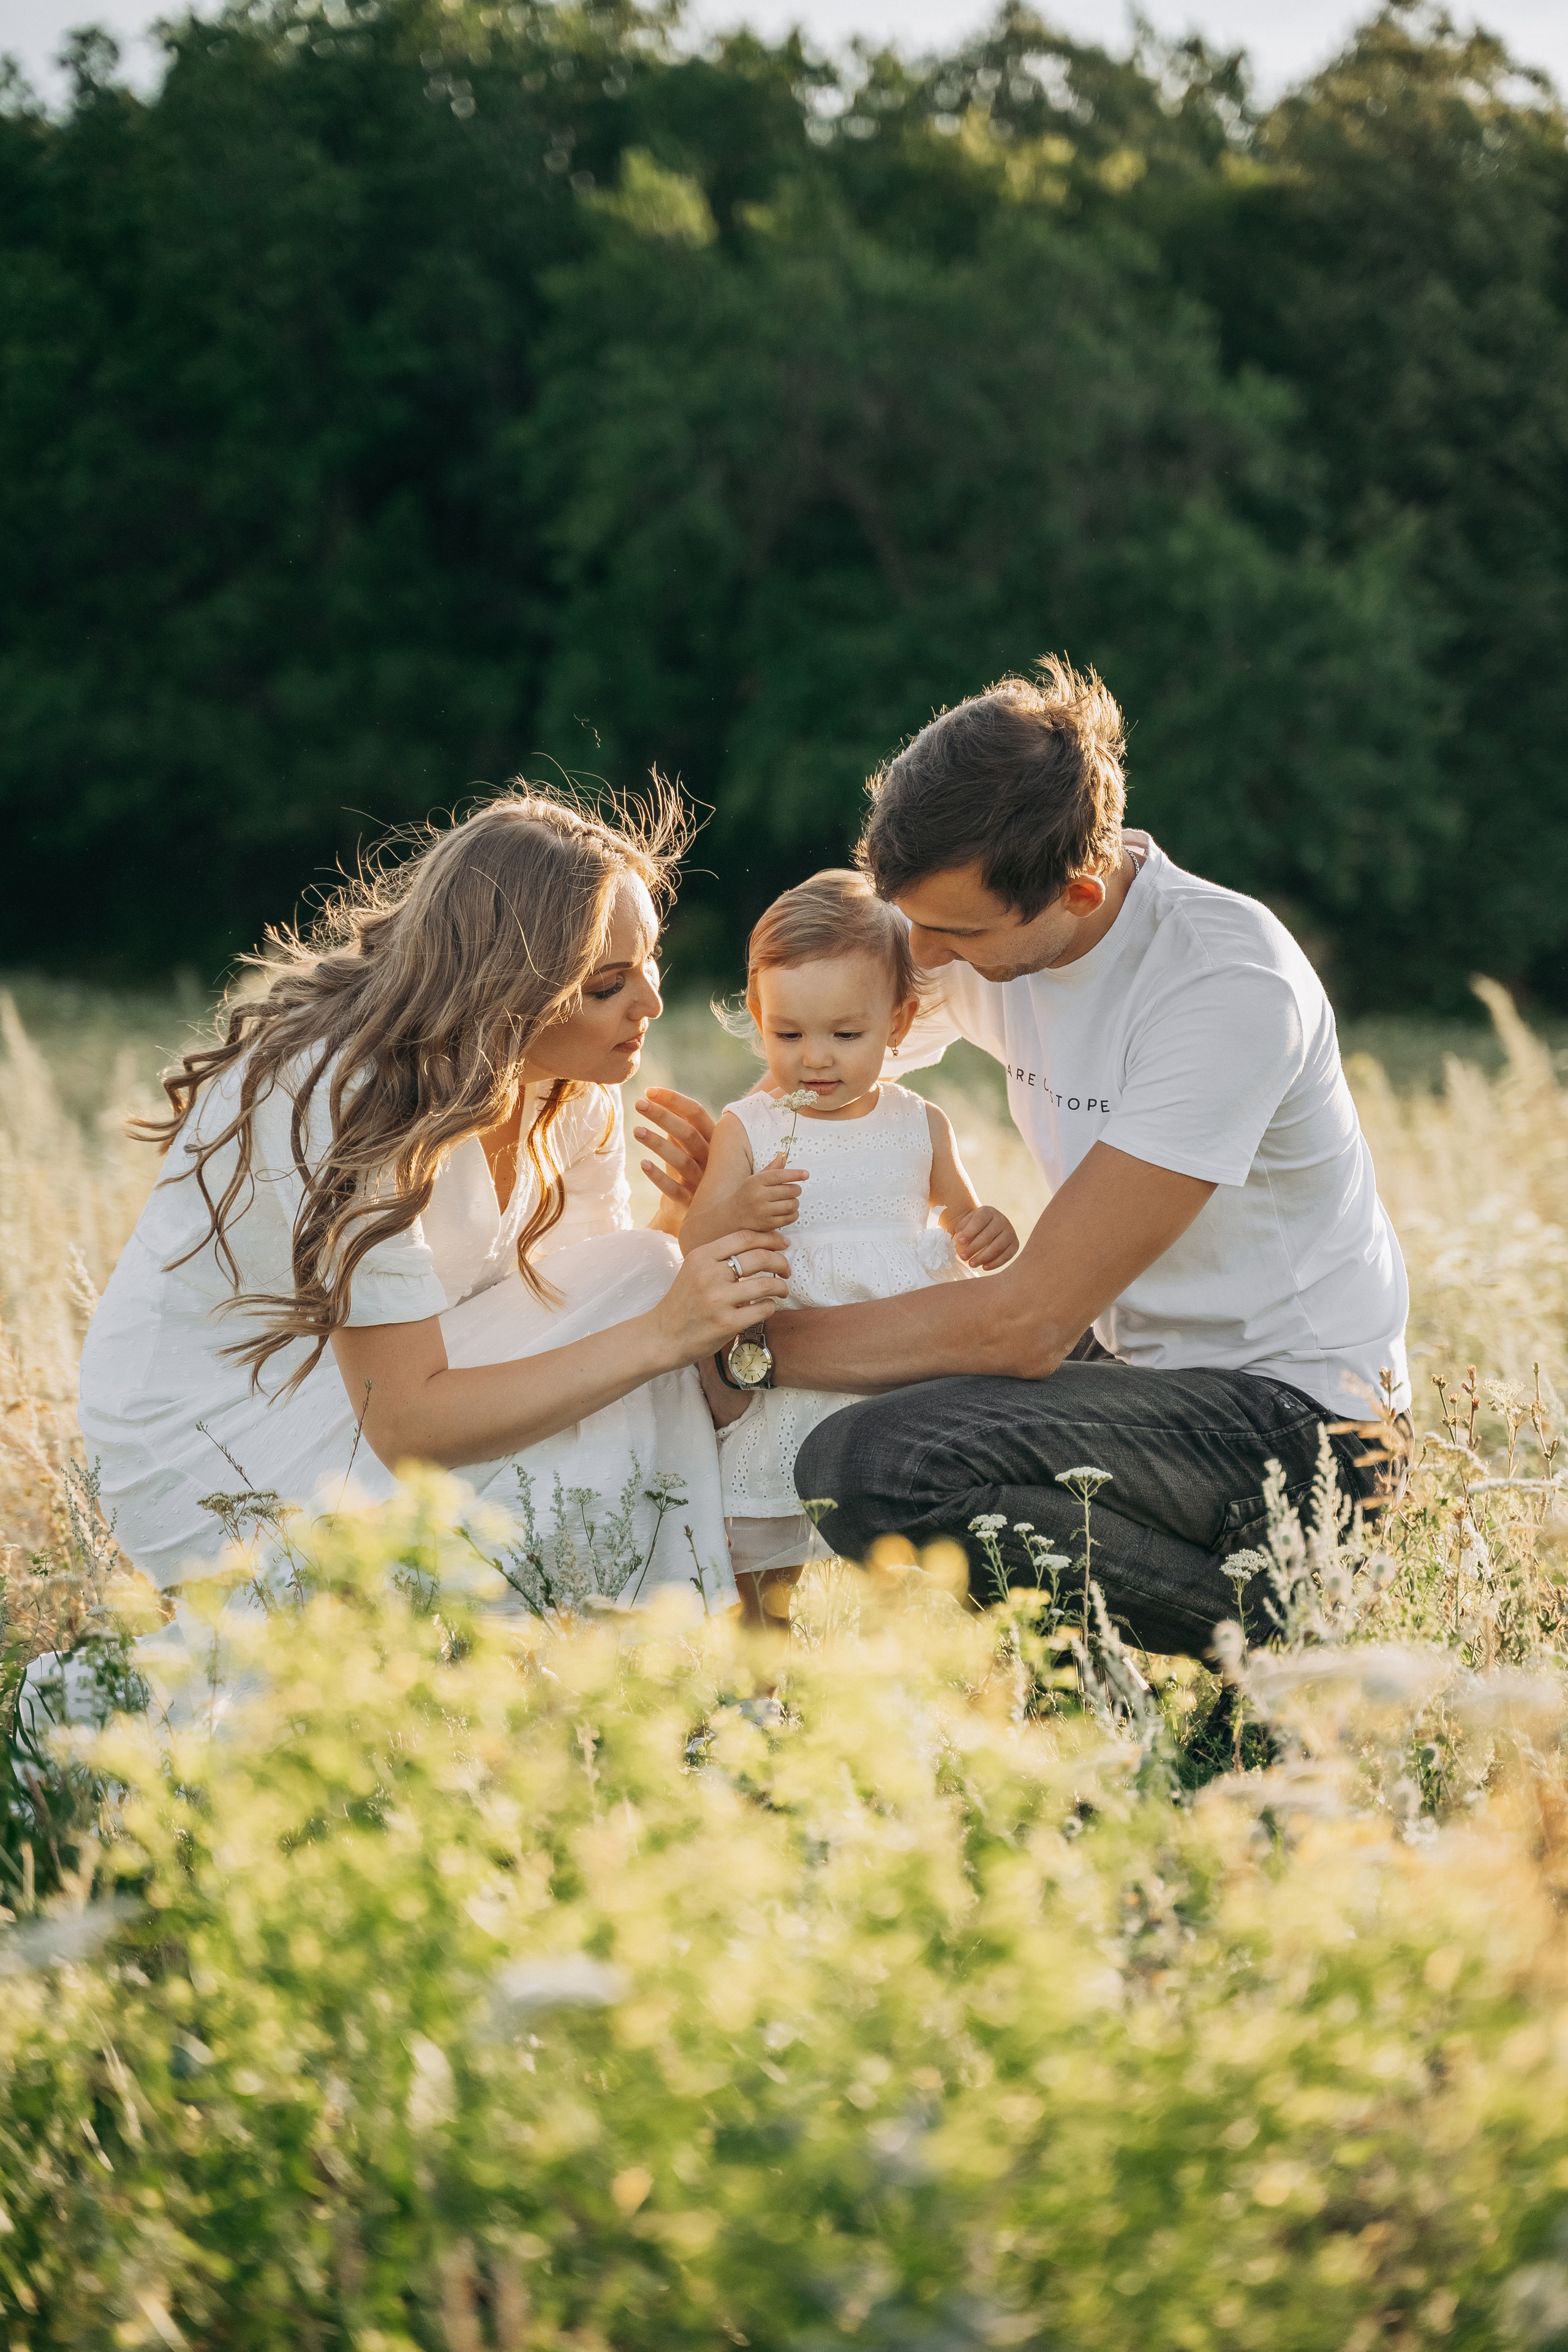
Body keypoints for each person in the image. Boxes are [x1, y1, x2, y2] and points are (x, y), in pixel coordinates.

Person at [759, 657, 1411, 1659]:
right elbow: (817, 1050)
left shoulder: (1224, 985)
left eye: (953, 933)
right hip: (1146, 1367)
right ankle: (1090, 1691)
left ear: (1077, 890)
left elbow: (1026, 1325)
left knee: (865, 1460)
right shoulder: (978, 925)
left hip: (1304, 1419)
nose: (922, 959)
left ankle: (1301, 1641)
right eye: (910, 920)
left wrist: (741, 1348)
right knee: (906, 1358)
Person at [77, 791, 791, 1615]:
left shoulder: (568, 1087)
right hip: (212, 1448)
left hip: (374, 1408)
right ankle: (675, 1654)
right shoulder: (343, 1094)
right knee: (645, 1285)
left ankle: (622, 1656)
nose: (653, 1004)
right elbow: (410, 1423)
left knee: (641, 1280)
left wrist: (687, 1221)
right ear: (511, 991)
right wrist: (667, 1321)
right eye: (609, 984)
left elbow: (580, 1341)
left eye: (652, 961)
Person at [678, 870, 1019, 1625]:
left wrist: (985, 1227)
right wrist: (738, 1206)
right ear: (759, 1018)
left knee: (899, 1549)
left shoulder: (918, 1122)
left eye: (845, 1034)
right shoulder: (751, 1126)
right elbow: (694, 1240)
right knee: (768, 1556)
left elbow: (961, 1220)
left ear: (897, 1024)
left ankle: (890, 1678)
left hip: (898, 1364)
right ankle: (757, 1688)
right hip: (792, 1369)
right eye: (788, 1035)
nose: (816, 1059)